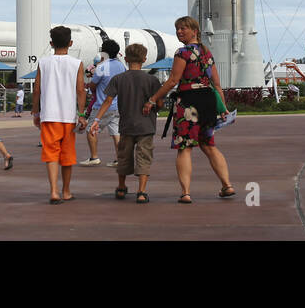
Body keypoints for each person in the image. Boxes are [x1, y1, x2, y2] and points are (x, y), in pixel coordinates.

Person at [143, 16, 234, 203]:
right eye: (177, 28)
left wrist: (153, 99)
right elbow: (216, 84)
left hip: (189, 103)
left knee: (185, 147)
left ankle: (185, 192)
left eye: (184, 28)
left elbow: (173, 81)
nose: (179, 31)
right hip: (208, 101)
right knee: (209, 144)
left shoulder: (182, 53)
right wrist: (222, 108)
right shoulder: (207, 53)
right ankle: (227, 185)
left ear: (195, 31)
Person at [92, 43, 161, 203]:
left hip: (126, 125)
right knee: (144, 157)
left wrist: (96, 120)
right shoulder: (152, 80)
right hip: (146, 126)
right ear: (144, 59)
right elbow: (159, 103)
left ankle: (121, 187)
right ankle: (141, 192)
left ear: (127, 59)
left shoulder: (119, 79)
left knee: (123, 157)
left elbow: (108, 100)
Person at [32, 25, 87, 204]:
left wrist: (35, 111)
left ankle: (53, 191)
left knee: (51, 154)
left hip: (49, 115)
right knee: (67, 155)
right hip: (68, 116)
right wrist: (81, 113)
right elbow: (80, 90)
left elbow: (37, 89)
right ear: (70, 43)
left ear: (51, 43)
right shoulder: (76, 63)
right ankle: (66, 191)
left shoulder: (43, 63)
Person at [84, 39, 125, 166]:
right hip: (117, 105)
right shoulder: (121, 65)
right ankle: (119, 158)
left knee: (91, 130)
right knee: (116, 132)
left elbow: (93, 85)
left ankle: (94, 157)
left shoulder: (102, 66)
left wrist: (90, 84)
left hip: (102, 105)